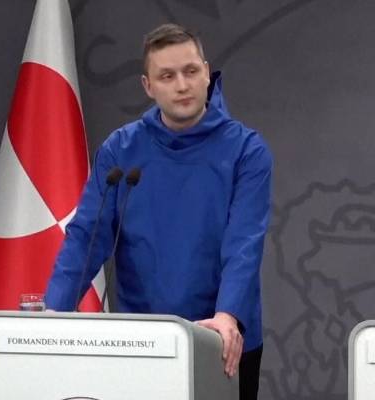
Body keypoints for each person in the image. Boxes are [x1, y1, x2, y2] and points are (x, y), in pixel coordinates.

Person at [45, 23, 272, 400]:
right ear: (148, 86)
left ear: (206, 72)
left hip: (221, 337)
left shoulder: (247, 151)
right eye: (167, 76)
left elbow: (244, 244)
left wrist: (228, 316)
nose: (182, 85)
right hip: (140, 340)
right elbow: (87, 236)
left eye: (190, 71)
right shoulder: (120, 150)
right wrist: (54, 312)